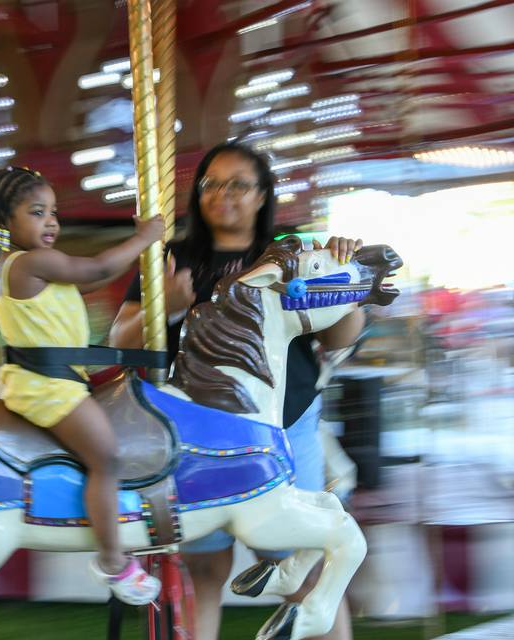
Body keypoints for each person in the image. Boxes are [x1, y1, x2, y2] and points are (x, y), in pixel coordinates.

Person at [109, 142, 364, 639]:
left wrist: (346, 288)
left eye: (239, 184)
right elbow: (119, 340)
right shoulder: (171, 258)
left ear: (263, 194)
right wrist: (167, 307)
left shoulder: (294, 254)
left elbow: (338, 336)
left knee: (300, 569)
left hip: (283, 427)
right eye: (211, 184)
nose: (223, 194)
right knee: (202, 572)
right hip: (196, 438)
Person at [0, 166, 165, 605]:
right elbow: (98, 266)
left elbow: (96, 276)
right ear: (6, 222)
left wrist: (142, 257)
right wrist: (144, 238)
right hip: (48, 387)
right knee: (107, 457)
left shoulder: (35, 266)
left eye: (53, 213)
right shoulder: (27, 263)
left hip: (58, 380)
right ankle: (114, 561)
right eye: (37, 212)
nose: (51, 222)